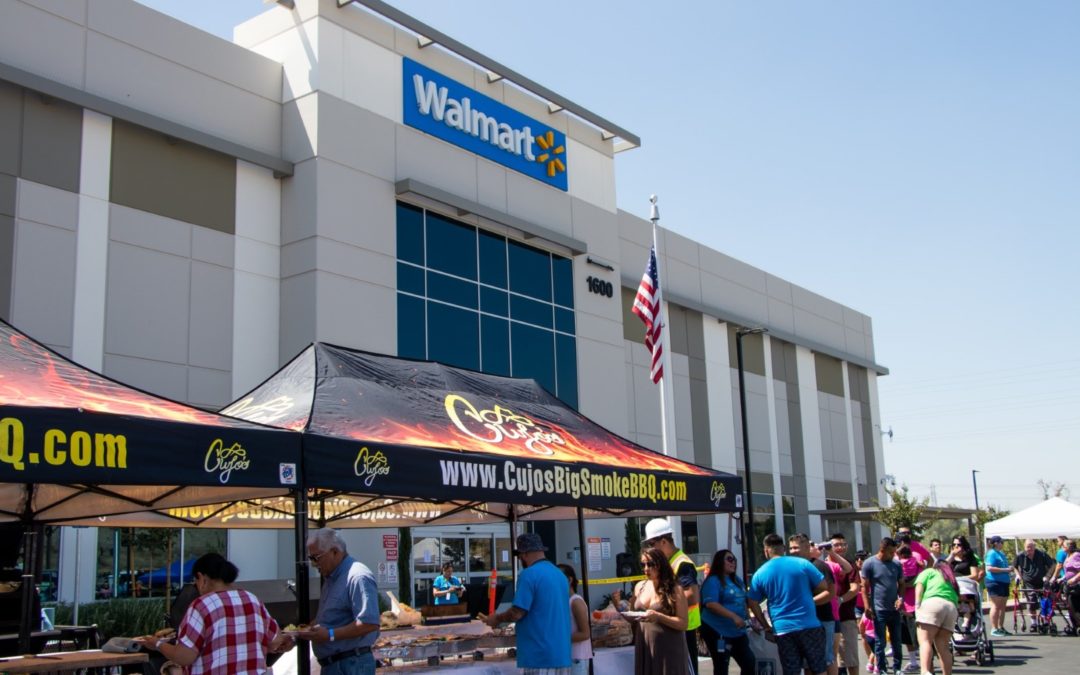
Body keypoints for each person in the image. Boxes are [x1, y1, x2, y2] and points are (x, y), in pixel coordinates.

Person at [136, 552, 291, 674]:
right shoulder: (251, 599)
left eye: (194, 582)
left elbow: (184, 656)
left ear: (202, 578)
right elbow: (275, 640)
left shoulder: (201, 605)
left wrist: (157, 644)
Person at [483, 533, 571, 673]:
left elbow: (517, 613)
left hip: (539, 656)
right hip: (562, 655)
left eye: (519, 556)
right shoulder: (559, 575)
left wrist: (496, 619)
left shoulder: (529, 574)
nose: (519, 559)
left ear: (524, 554)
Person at [746, 533, 829, 675]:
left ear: (766, 550)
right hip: (809, 625)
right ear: (783, 548)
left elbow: (752, 603)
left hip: (783, 629)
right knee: (818, 668)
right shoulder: (802, 564)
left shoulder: (760, 573)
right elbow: (823, 586)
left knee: (791, 670)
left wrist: (766, 626)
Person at [302, 528, 381, 675]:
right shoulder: (332, 577)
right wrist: (303, 632)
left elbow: (369, 623)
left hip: (351, 665)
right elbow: (332, 617)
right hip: (337, 665)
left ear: (335, 552)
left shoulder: (358, 576)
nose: (314, 564)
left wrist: (330, 634)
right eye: (310, 558)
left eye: (316, 558)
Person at [643, 518, 701, 675]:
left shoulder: (682, 564)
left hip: (684, 627)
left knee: (685, 669)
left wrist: (661, 606)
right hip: (673, 627)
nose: (650, 549)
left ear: (663, 541)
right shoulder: (669, 562)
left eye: (651, 544)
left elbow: (692, 595)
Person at [631, 546, 692, 675]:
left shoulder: (675, 589)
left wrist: (659, 617)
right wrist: (619, 606)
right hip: (645, 646)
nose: (646, 568)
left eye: (650, 564)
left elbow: (683, 623)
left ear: (661, 564)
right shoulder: (639, 586)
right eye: (643, 564)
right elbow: (633, 617)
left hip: (668, 649)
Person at [700, 549, 756, 675]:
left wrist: (750, 621)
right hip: (717, 631)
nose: (733, 563)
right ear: (720, 561)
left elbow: (743, 601)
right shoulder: (713, 581)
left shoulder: (737, 580)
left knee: (749, 661)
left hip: (737, 632)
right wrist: (733, 616)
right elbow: (710, 604)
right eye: (729, 559)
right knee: (721, 665)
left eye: (734, 560)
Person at [788, 534, 837, 675]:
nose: (793, 551)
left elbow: (831, 592)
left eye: (796, 547)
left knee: (826, 660)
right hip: (803, 622)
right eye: (791, 548)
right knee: (808, 663)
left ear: (806, 547)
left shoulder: (819, 566)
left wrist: (807, 603)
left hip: (822, 619)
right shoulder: (793, 566)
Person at [860, 537, 904, 675]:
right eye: (891, 552)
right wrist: (867, 606)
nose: (893, 555)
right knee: (880, 641)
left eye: (894, 552)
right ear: (882, 550)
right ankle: (882, 669)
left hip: (894, 609)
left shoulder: (896, 564)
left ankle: (897, 668)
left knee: (897, 640)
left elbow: (902, 583)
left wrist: (900, 598)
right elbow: (864, 587)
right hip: (878, 609)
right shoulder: (869, 563)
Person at [914, 560, 960, 675]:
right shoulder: (951, 578)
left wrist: (917, 605)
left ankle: (925, 671)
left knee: (925, 641)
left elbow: (919, 587)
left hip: (932, 603)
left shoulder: (929, 571)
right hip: (951, 607)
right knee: (943, 646)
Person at [830, 533, 861, 675]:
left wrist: (840, 600)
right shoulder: (823, 564)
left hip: (846, 617)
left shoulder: (850, 566)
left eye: (843, 544)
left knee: (850, 659)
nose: (840, 547)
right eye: (836, 545)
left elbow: (855, 589)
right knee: (832, 660)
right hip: (827, 619)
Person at [557, 564, 593, 675]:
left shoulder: (576, 602)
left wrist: (557, 638)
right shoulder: (563, 601)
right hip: (566, 656)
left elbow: (585, 634)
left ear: (569, 580)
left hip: (577, 658)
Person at [1013, 539, 1054, 630]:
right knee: (1031, 602)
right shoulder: (1020, 556)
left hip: (1042, 582)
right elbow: (1014, 566)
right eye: (1028, 547)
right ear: (1024, 547)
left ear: (1035, 547)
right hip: (1029, 583)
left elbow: (1052, 565)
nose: (1029, 549)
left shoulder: (1042, 554)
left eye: (1031, 547)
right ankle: (1034, 623)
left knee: (1045, 601)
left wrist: (1048, 576)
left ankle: (1046, 621)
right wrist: (1018, 575)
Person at [946, 536, 981, 631]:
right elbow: (942, 568)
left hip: (966, 585)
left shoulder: (970, 558)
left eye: (959, 544)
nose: (956, 546)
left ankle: (966, 623)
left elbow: (975, 575)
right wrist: (951, 556)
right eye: (954, 544)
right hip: (953, 587)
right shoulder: (950, 559)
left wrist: (960, 578)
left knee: (967, 604)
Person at [895, 545, 920, 673]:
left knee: (909, 636)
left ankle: (915, 661)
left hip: (907, 604)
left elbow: (899, 582)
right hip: (913, 603)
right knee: (916, 636)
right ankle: (917, 661)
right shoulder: (916, 562)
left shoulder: (898, 563)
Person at [983, 535, 1012, 636]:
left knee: (1003, 606)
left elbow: (1004, 566)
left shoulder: (1001, 554)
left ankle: (1000, 627)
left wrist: (1009, 569)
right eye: (1001, 542)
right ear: (995, 543)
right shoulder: (991, 553)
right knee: (996, 605)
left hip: (1004, 582)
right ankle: (994, 628)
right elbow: (989, 568)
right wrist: (1005, 570)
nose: (1002, 544)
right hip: (994, 581)